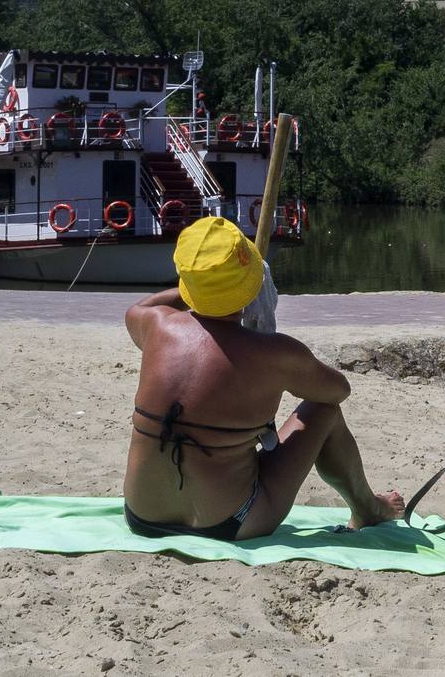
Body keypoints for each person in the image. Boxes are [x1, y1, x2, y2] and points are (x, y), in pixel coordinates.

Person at [122, 217, 403, 540]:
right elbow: (338, 391)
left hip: (142, 516)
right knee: (323, 412)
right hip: (228, 523)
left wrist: (204, 287)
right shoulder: (276, 354)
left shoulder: (155, 325)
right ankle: (368, 508)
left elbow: (138, 307)